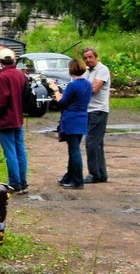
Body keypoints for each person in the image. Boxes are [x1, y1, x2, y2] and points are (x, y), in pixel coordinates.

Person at [0, 49, 29, 193]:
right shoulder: (21, 75)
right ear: (14, 60)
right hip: (18, 117)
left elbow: (0, 101)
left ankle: (14, 183)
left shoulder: (2, 77)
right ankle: (23, 182)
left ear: (0, 61)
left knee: (10, 152)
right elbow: (25, 96)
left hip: (5, 119)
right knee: (20, 150)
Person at [53, 59, 93, 189]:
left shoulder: (73, 85)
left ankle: (77, 180)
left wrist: (55, 90)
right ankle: (69, 177)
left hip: (71, 119)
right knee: (74, 149)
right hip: (82, 118)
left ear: (71, 70)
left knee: (74, 150)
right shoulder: (87, 84)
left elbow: (62, 102)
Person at [81, 47, 111, 184]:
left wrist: (82, 88)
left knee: (91, 143)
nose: (88, 60)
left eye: (90, 57)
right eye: (85, 58)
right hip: (89, 110)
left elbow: (94, 89)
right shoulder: (87, 72)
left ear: (96, 57)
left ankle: (93, 173)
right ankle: (101, 174)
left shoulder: (102, 69)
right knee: (97, 143)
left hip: (98, 110)